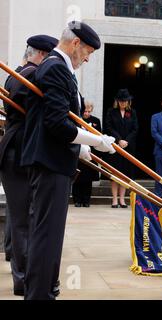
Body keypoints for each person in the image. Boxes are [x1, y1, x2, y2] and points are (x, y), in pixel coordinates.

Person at [21, 21, 116, 300]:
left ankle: (45, 289)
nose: (87, 59)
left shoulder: (59, 68)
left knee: (50, 234)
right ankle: (39, 295)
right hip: (50, 162)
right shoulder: (55, 68)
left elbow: (53, 120)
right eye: (87, 52)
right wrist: (97, 141)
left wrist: (82, 150)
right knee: (46, 235)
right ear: (75, 44)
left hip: (57, 159)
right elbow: (56, 124)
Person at [0, 34, 58, 296]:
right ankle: (24, 279)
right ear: (42, 55)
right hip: (21, 152)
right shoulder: (29, 77)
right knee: (26, 221)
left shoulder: (17, 75)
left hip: (17, 151)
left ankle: (23, 276)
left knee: (20, 219)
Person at [104, 89, 139, 208]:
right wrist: (119, 139)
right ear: (117, 101)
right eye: (121, 101)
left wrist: (127, 141)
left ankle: (122, 199)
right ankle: (114, 199)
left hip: (128, 147)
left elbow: (135, 129)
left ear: (128, 101)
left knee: (125, 174)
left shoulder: (132, 112)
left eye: (125, 101)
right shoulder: (111, 112)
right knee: (115, 173)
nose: (123, 103)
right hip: (115, 146)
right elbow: (108, 127)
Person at [72, 101, 102, 207]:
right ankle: (77, 199)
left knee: (88, 178)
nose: (86, 113)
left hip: (90, 152)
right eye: (85, 111)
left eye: (89, 111)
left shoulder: (96, 121)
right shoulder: (77, 119)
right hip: (78, 150)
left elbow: (99, 136)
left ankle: (86, 200)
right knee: (78, 177)